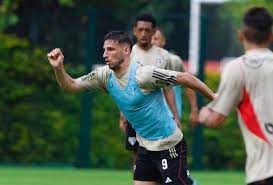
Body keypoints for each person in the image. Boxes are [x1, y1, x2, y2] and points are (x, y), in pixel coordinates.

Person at [47, 31, 215, 185]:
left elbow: (186, 78)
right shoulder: (104, 75)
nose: (105, 54)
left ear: (126, 51)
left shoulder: (143, 75)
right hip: (145, 147)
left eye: (111, 49)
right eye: (104, 49)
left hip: (169, 145)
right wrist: (59, 68)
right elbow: (71, 86)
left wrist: (215, 99)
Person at [198, 7, 273, 185]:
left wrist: (204, 115)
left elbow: (215, 119)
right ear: (270, 36)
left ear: (241, 35)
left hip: (264, 172)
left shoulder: (237, 68)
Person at [151, 28, 198, 125]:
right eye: (150, 38)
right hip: (147, 119)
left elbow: (188, 83)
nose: (152, 42)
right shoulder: (138, 61)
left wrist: (194, 109)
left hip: (171, 118)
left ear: (163, 41)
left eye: (155, 38)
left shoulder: (174, 60)